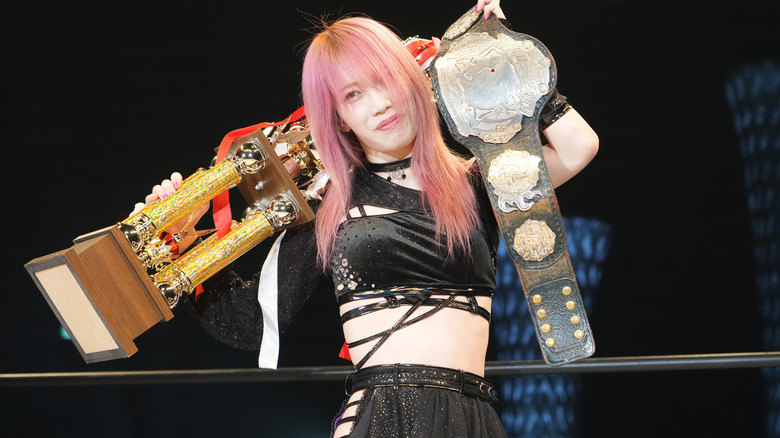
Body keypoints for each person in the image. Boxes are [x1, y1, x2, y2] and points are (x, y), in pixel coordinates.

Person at [138, 1, 598, 436]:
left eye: (385, 80)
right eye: (354, 94)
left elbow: (578, 147)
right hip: (382, 414)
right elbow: (246, 323)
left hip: (473, 415)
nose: (379, 103)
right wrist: (181, 240)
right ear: (337, 117)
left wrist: (501, 55)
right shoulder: (330, 206)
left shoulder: (476, 184)